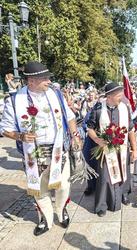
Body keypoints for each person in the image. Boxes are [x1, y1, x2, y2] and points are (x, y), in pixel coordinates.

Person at [0, 61, 81, 236]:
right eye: (44, 78)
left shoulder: (56, 94)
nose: (48, 81)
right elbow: (4, 128)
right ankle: (45, 218)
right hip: (33, 154)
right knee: (40, 189)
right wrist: (20, 136)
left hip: (59, 149)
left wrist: (75, 135)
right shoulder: (15, 100)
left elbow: (70, 117)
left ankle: (61, 210)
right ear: (31, 81)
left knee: (64, 185)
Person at [87, 82, 137, 217]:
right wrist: (98, 140)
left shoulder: (125, 108)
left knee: (123, 172)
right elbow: (89, 128)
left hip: (122, 148)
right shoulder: (98, 109)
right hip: (105, 150)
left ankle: (123, 195)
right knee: (105, 177)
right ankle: (102, 205)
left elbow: (131, 129)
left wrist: (134, 148)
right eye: (118, 95)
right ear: (109, 96)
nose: (121, 97)